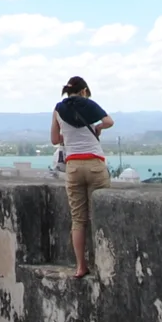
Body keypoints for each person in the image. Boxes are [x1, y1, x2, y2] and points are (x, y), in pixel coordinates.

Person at [51, 76, 114, 278]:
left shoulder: (58, 109)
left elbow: (54, 139)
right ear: (84, 91)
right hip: (95, 163)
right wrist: (97, 128)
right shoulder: (88, 104)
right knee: (101, 215)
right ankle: (106, 265)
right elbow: (109, 121)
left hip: (73, 167)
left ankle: (80, 266)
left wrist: (68, 136)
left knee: (78, 220)